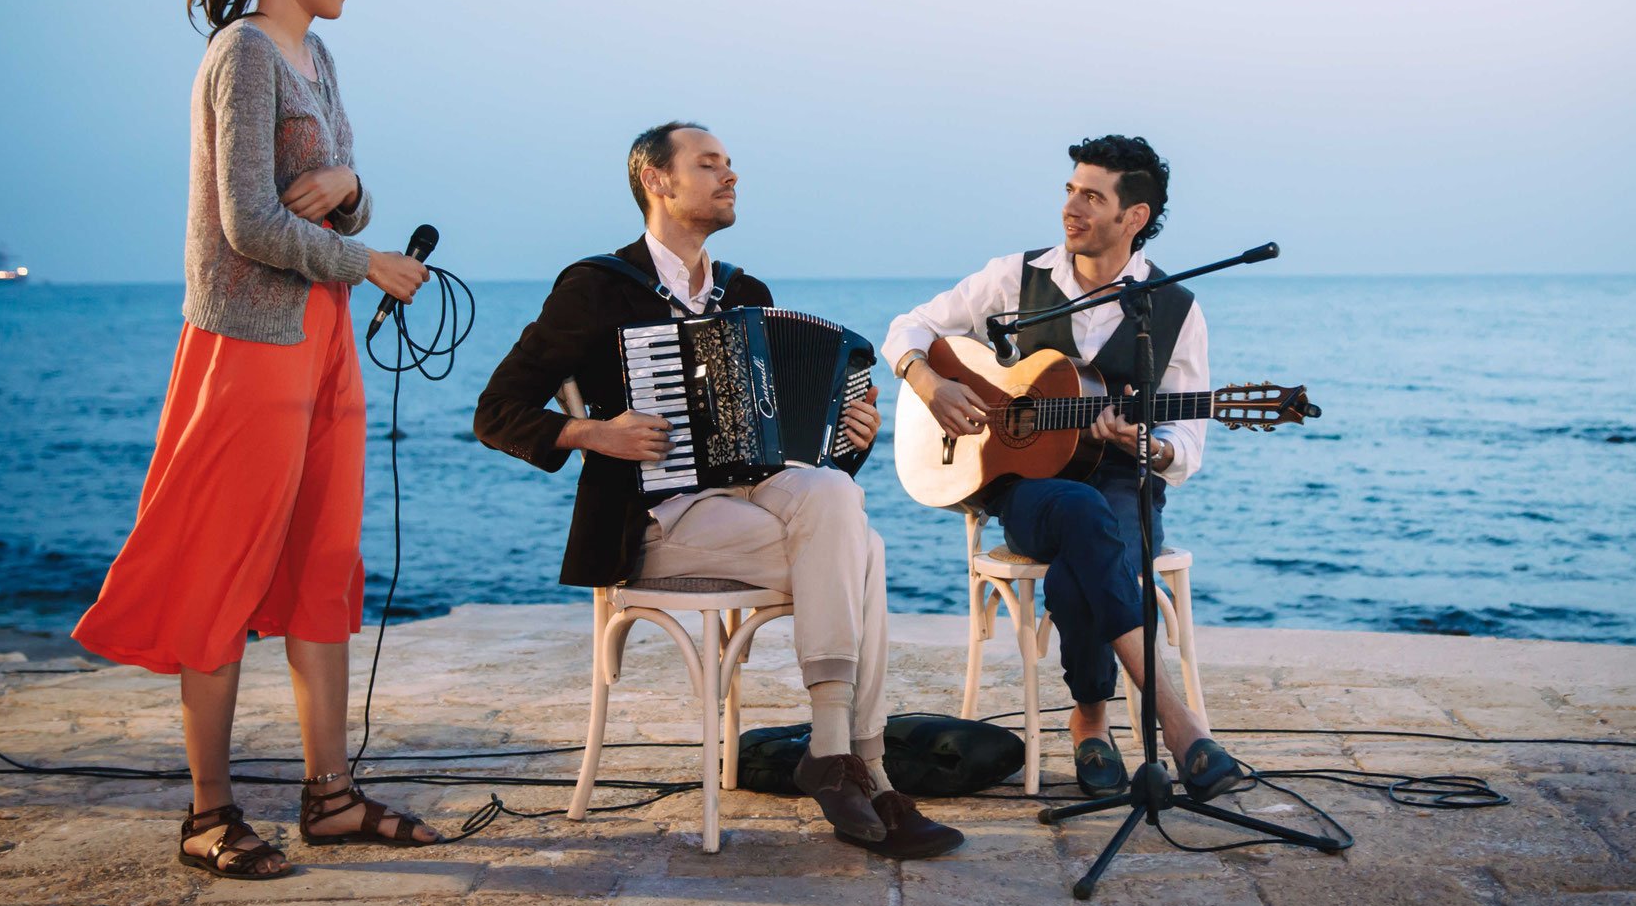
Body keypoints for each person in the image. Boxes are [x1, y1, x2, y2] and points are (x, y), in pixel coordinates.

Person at [74, 0, 440, 880]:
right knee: (221, 563)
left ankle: (332, 798)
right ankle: (208, 814)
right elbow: (247, 222)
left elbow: (342, 192)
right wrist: (364, 260)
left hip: (321, 337)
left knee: (323, 558)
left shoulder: (318, 57)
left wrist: (354, 193)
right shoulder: (241, 54)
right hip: (248, 339)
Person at [474, 122, 963, 859]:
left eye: (731, 164)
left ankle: (836, 755)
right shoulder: (597, 289)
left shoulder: (745, 293)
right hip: (655, 521)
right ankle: (867, 766)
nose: (730, 176)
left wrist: (849, 436)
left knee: (839, 504)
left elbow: (799, 448)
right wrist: (596, 433)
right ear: (656, 180)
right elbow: (496, 412)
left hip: (753, 501)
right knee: (864, 552)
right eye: (708, 164)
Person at [882, 134, 1243, 802]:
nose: (1071, 208)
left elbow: (1185, 441)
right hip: (1028, 487)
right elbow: (908, 327)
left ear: (1133, 217)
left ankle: (1090, 722)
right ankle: (1179, 723)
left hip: (1123, 482)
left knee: (1088, 544)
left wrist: (1144, 444)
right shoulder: (1015, 277)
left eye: (1092, 197)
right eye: (1070, 190)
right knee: (1080, 515)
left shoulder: (1174, 309)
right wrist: (929, 383)